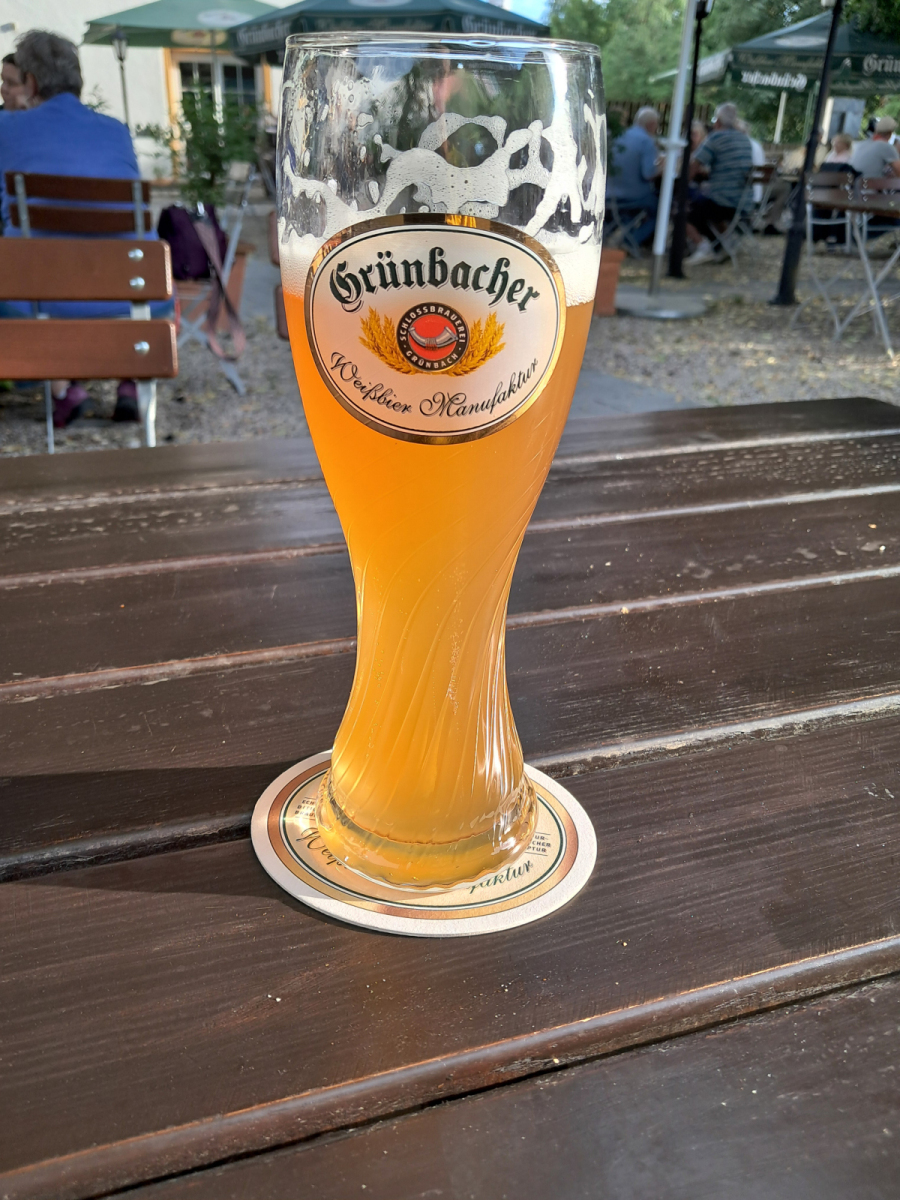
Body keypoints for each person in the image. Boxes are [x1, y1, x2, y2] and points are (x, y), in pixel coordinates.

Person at [0, 31, 151, 426]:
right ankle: (130, 383)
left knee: (21, 265)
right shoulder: (116, 130)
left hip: (44, 301)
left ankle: (65, 391)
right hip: (132, 293)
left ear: (31, 82)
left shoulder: (7, 128)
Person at [685, 102, 753, 265]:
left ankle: (703, 248)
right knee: (705, 205)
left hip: (724, 202)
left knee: (682, 210)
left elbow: (694, 167)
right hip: (743, 202)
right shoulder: (744, 139)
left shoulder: (716, 138)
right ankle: (726, 244)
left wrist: (681, 182)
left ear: (717, 121)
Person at [606, 107, 661, 248]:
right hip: (634, 197)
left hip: (609, 195)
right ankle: (631, 241)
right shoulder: (646, 141)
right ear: (652, 124)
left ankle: (608, 238)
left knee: (625, 214)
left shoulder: (617, 136)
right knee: (662, 210)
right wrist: (663, 166)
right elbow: (648, 174)